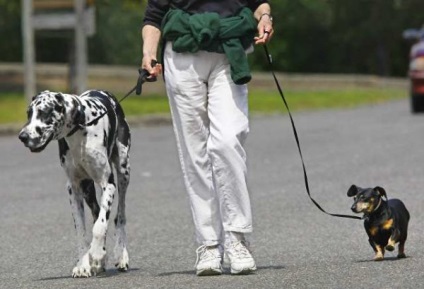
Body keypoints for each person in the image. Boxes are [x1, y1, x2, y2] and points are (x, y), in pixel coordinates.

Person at [141, 0, 273, 276]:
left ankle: (237, 238)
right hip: (182, 55)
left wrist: (265, 17)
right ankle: (209, 244)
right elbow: (154, 14)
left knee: (227, 141)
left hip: (228, 51)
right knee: (194, 153)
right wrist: (149, 53)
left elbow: (257, 2)